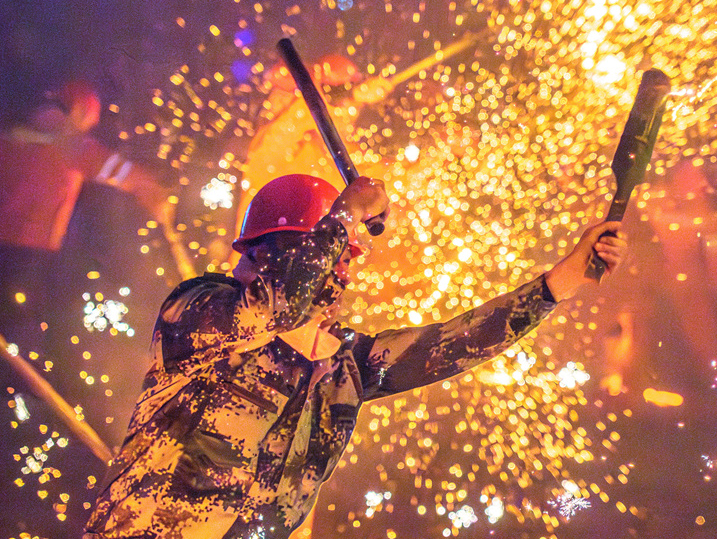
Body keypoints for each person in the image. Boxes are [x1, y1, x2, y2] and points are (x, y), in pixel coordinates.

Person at [83, 173, 627, 539]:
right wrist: (342, 218)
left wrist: (563, 280)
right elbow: (276, 305)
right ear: (273, 249)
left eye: (346, 259)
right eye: (334, 254)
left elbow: (452, 344)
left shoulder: (341, 363)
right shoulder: (199, 312)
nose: (343, 272)